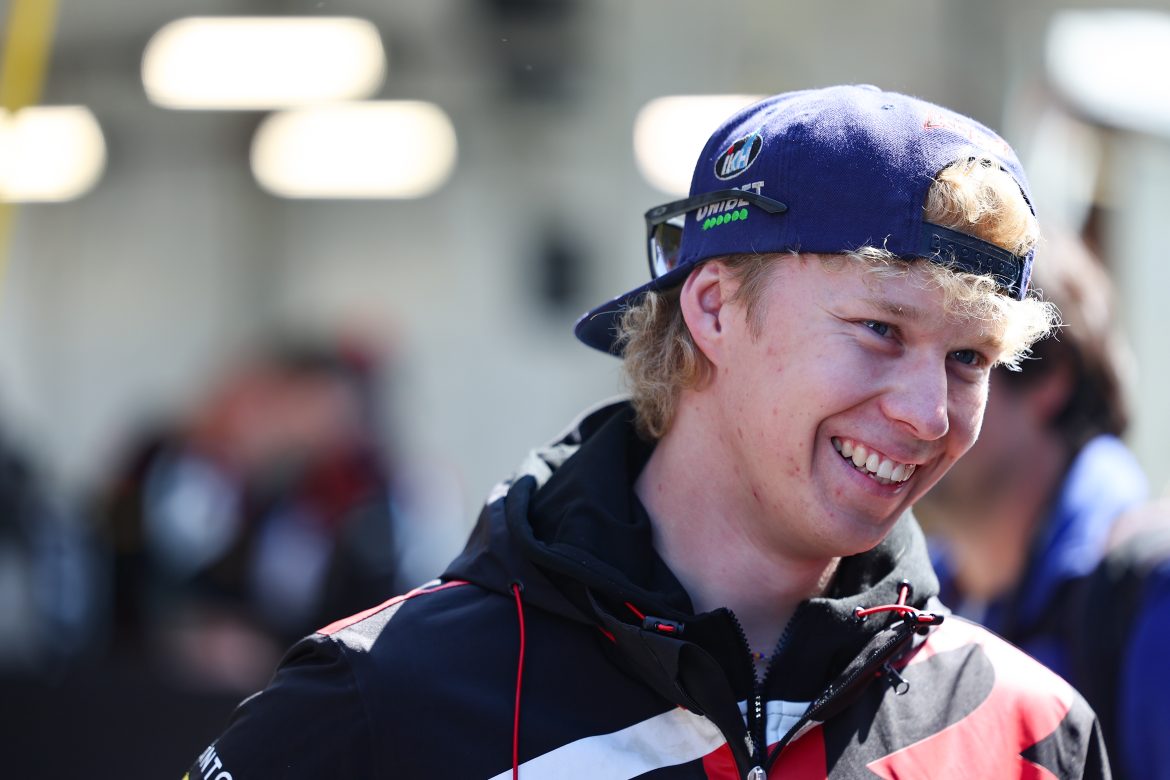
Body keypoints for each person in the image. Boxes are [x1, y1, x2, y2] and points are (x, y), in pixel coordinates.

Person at [186, 85, 1110, 779]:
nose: (930, 413)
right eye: (881, 330)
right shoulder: (386, 697)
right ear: (713, 307)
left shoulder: (1029, 732)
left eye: (970, 358)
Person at [914, 229, 1170, 778]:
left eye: (963, 357)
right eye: (884, 335)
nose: (908, 406)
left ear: (1049, 374)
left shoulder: (1152, 598)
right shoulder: (915, 599)